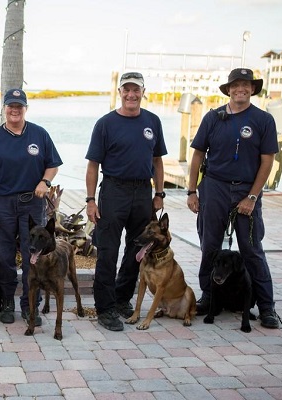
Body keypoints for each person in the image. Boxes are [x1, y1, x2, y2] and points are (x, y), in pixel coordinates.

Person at [186, 68, 281, 329]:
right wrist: (192, 191)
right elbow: (196, 155)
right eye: (236, 85)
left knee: (251, 250)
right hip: (214, 187)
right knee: (210, 246)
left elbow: (267, 160)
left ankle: (266, 306)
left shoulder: (264, 120)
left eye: (246, 85)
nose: (241, 89)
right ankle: (209, 295)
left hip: (246, 190)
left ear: (253, 89)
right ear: (228, 89)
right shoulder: (213, 118)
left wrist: (252, 196)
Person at [85, 72, 167, 331]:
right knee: (108, 252)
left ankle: (121, 299)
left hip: (143, 192)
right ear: (119, 92)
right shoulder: (105, 123)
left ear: (144, 92)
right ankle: (105, 308)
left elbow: (157, 161)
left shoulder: (152, 121)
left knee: (137, 251)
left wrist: (159, 193)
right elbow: (93, 165)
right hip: (113, 191)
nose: (131, 94)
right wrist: (90, 200)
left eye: (136, 90)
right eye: (126, 90)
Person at [0, 88, 62, 325]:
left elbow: (53, 164)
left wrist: (45, 181)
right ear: (4, 108)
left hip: (32, 206)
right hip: (2, 204)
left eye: (19, 106)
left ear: (25, 108)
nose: (14, 110)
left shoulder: (39, 134)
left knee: (31, 256)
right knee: (3, 257)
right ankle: (6, 302)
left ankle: (29, 304)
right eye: (10, 106)